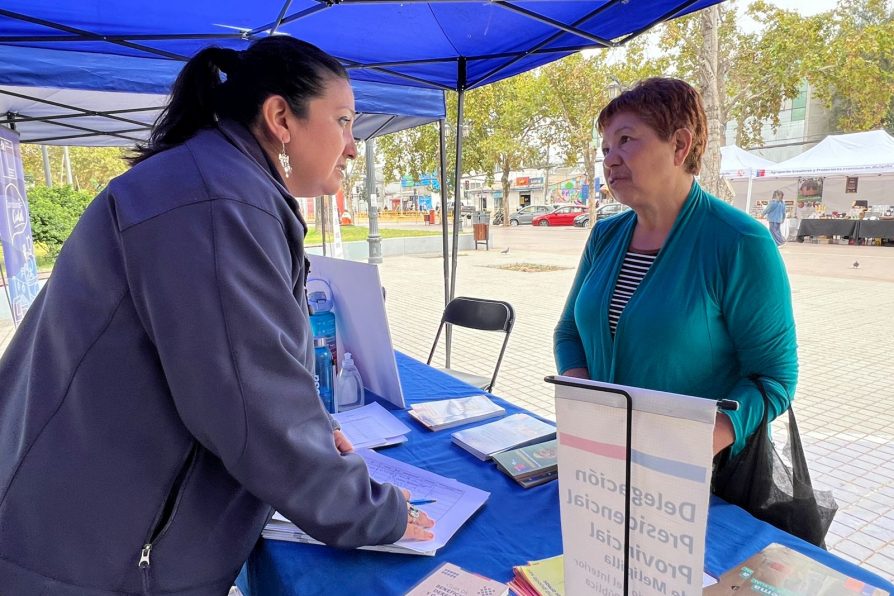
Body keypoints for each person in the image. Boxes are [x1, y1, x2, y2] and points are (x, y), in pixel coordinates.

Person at [0, 37, 433, 595]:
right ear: (281, 117)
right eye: (344, 121)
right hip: (82, 554)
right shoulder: (217, 202)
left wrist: (319, 428)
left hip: (77, 523)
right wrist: (371, 510)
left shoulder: (215, 181)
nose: (353, 147)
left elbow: (244, 356)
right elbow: (252, 406)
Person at [554, 77, 797, 460]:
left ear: (680, 146)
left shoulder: (740, 243)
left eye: (626, 140)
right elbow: (569, 332)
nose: (610, 159)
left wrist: (695, 446)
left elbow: (772, 380)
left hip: (699, 481)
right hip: (603, 459)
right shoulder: (604, 235)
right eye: (605, 148)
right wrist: (586, 398)